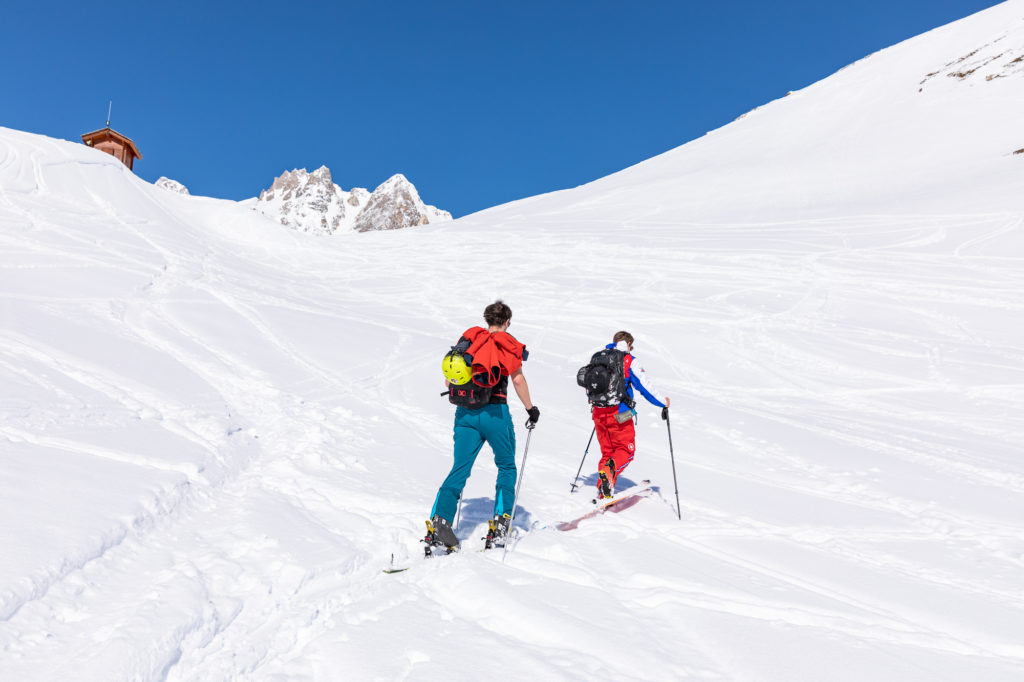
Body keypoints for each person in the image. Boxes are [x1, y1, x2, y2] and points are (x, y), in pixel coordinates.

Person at [427, 300, 539, 552]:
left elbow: (449, 382)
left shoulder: (470, 342)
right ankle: (500, 526)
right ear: (507, 321)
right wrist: (531, 409)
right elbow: (518, 380)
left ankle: (439, 523)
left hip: (465, 414)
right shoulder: (507, 344)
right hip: (495, 413)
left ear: (487, 320)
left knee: (460, 468)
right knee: (507, 466)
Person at [591, 331, 669, 498]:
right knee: (626, 450)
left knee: (608, 453)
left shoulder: (598, 358)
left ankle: (604, 490)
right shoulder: (628, 360)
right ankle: (609, 474)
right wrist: (663, 402)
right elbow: (645, 387)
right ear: (629, 345)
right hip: (620, 415)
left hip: (598, 413)